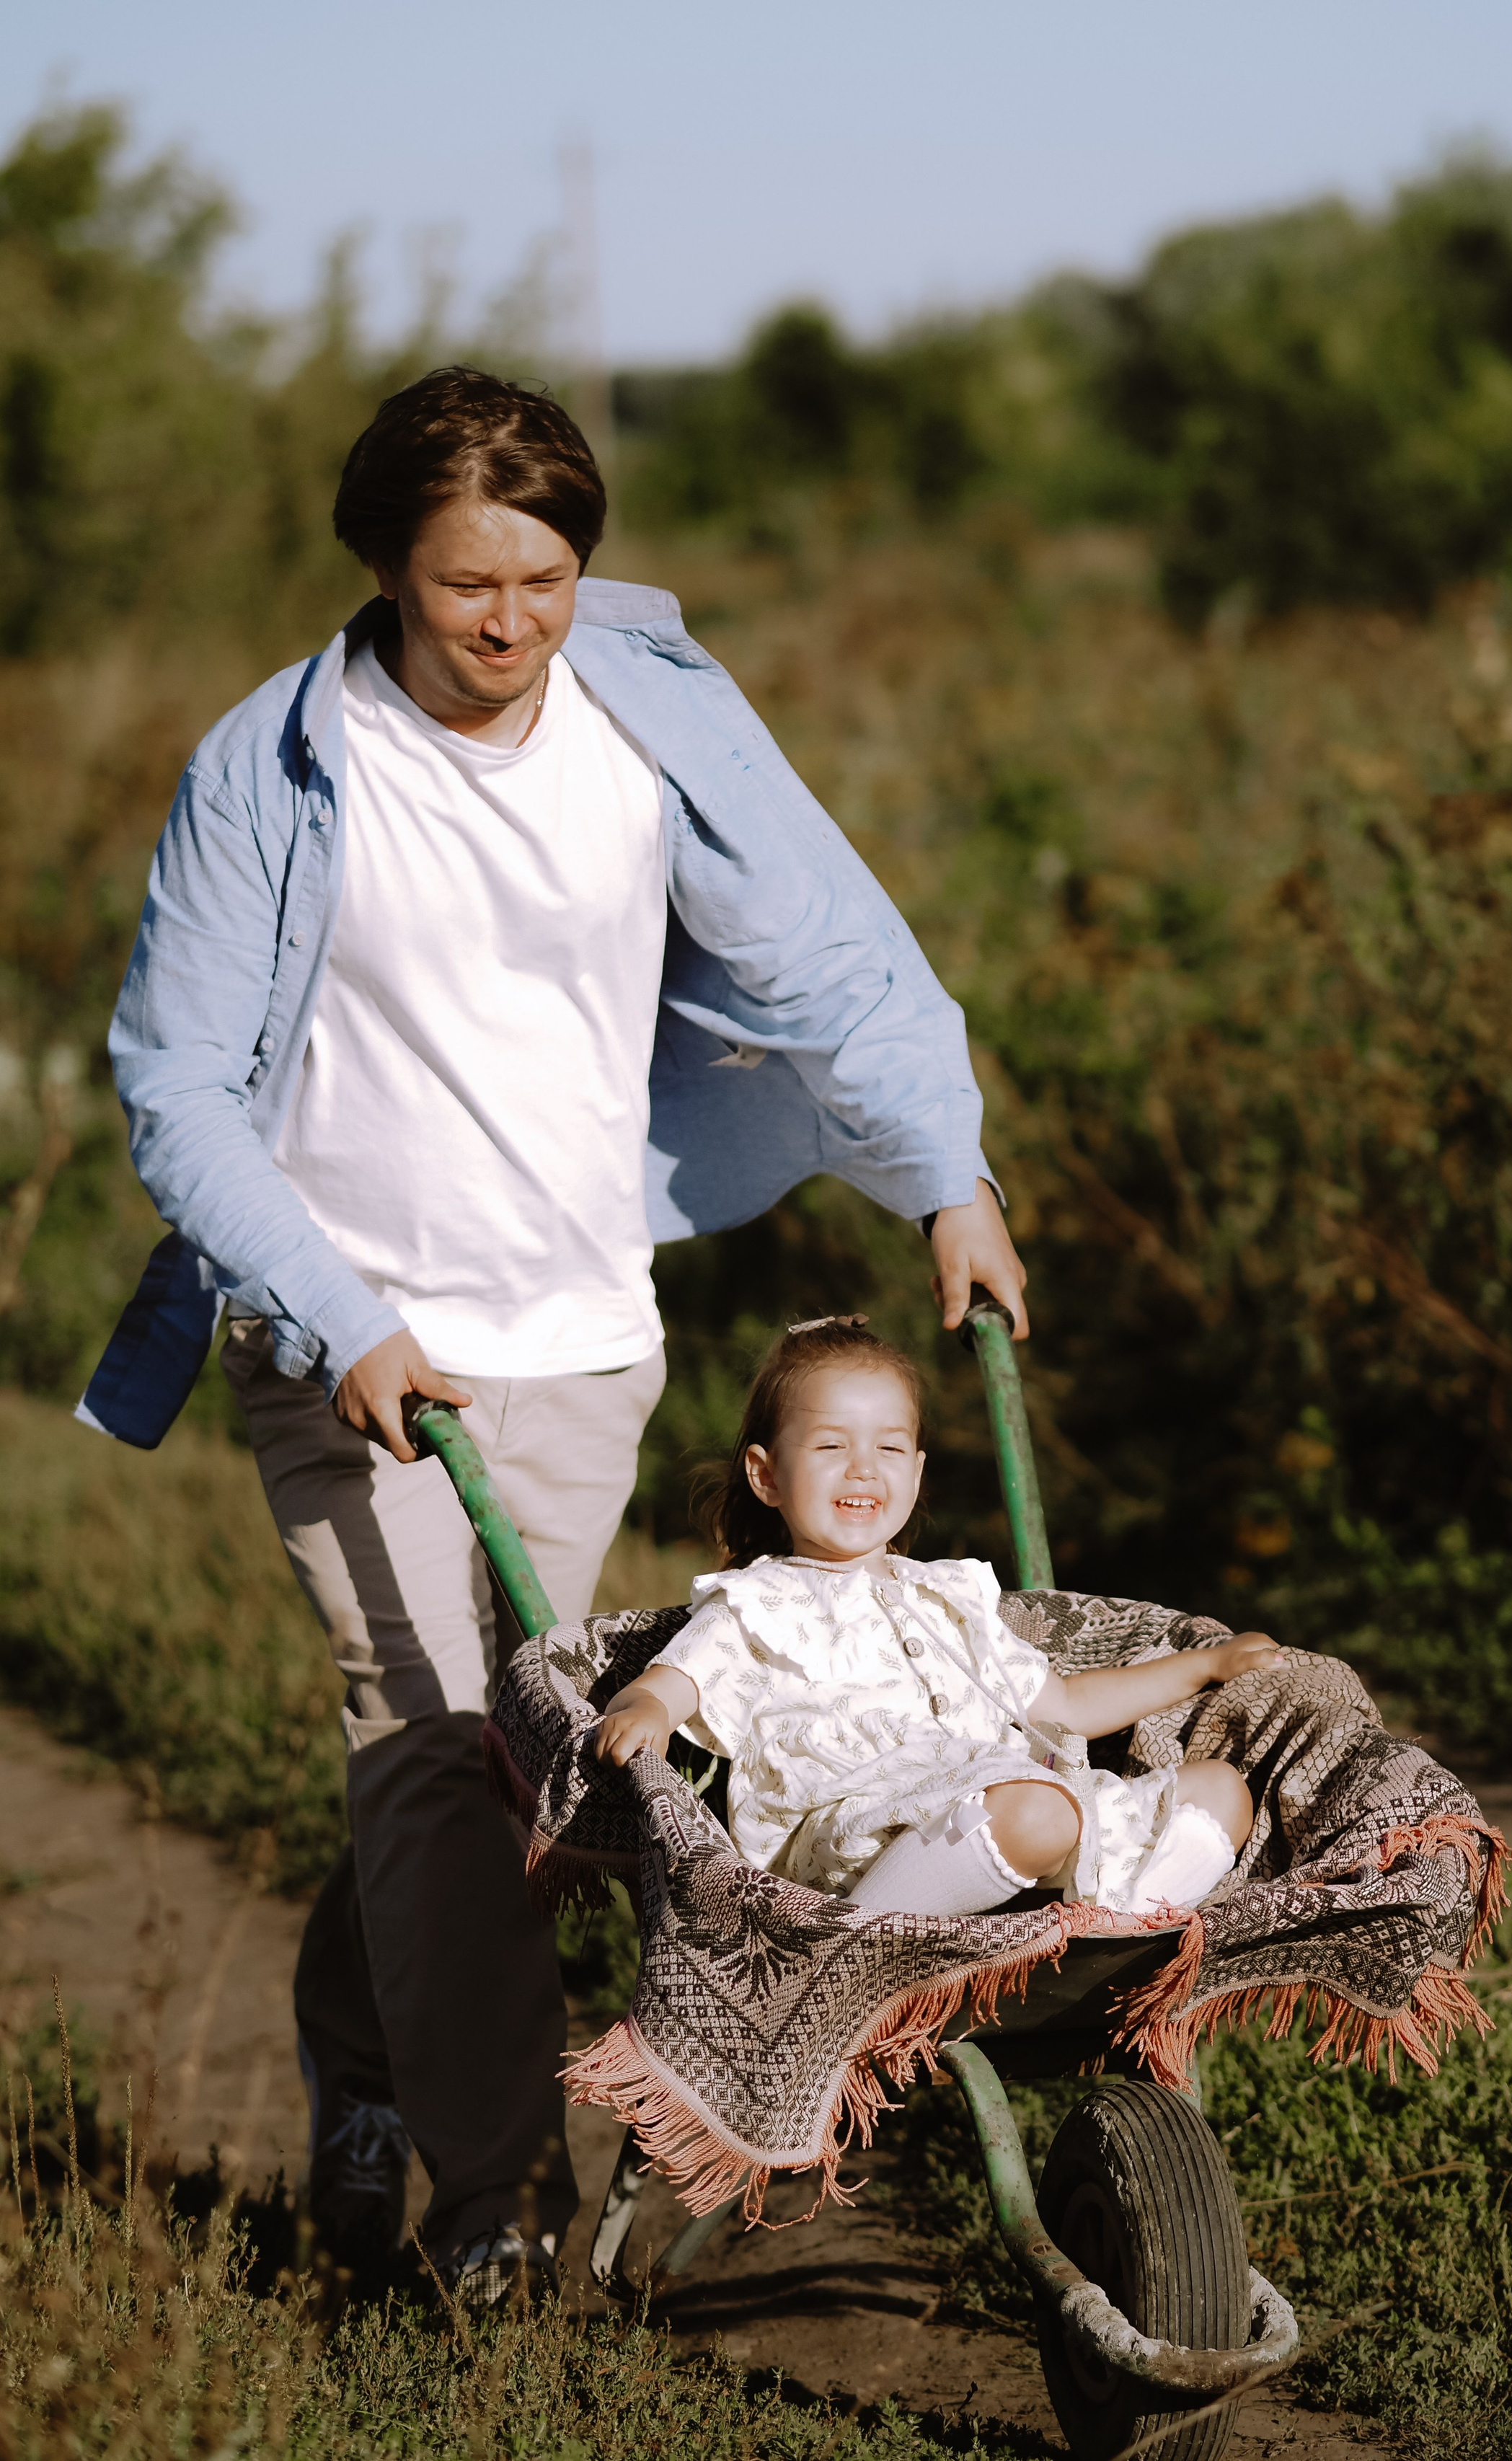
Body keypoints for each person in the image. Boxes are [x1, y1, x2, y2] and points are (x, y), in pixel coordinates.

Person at [78, 369, 1027, 2305]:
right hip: (351, 1337)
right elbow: (170, 1081)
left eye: (544, 576)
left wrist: (948, 1170)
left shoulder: (652, 716)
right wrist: (336, 1306)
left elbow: (835, 945)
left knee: (522, 1771)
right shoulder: (272, 763)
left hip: (584, 1331)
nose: (508, 620)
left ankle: (362, 2047)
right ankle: (491, 2201)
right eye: (462, 584)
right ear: (382, 569)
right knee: (439, 1751)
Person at [596, 1317, 1279, 1914]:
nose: (863, 1469)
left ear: (917, 1473)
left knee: (1220, 1792)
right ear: (766, 1474)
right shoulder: (757, 1601)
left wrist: (1205, 1664)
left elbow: (1064, 1703)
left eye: (888, 1449)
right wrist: (647, 1712)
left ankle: (1115, 1920)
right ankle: (859, 1958)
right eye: (832, 1447)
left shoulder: (949, 1595)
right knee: (1040, 1810)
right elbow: (669, 1682)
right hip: (858, 1842)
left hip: (1006, 1806)